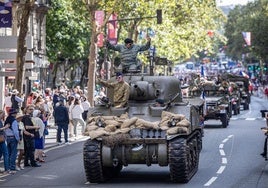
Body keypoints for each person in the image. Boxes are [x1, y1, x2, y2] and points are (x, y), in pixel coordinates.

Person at [4, 108, 20, 173]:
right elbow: (16, 131)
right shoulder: (14, 121)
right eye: (16, 113)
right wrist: (18, 139)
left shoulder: (6, 120)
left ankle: (8, 167)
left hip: (7, 138)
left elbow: (5, 129)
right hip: (13, 138)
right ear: (14, 114)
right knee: (13, 153)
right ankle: (12, 167)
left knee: (8, 153)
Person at [0, 110, 10, 174]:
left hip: (2, 139)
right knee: (5, 154)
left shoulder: (1, 120)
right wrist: (5, 127)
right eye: (2, 114)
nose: (3, 115)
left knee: (1, 154)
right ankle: (6, 169)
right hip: (1, 139)